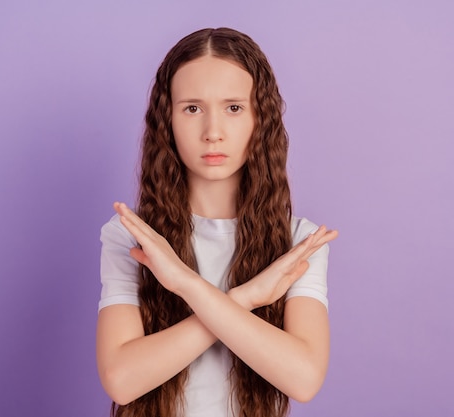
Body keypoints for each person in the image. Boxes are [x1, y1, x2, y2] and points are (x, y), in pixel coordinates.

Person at [96, 27, 339, 417]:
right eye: (192, 108)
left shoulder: (300, 241)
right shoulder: (133, 236)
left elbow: (304, 378)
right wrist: (245, 298)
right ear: (167, 120)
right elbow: (122, 380)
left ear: (261, 118)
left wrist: (185, 284)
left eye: (233, 108)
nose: (213, 133)